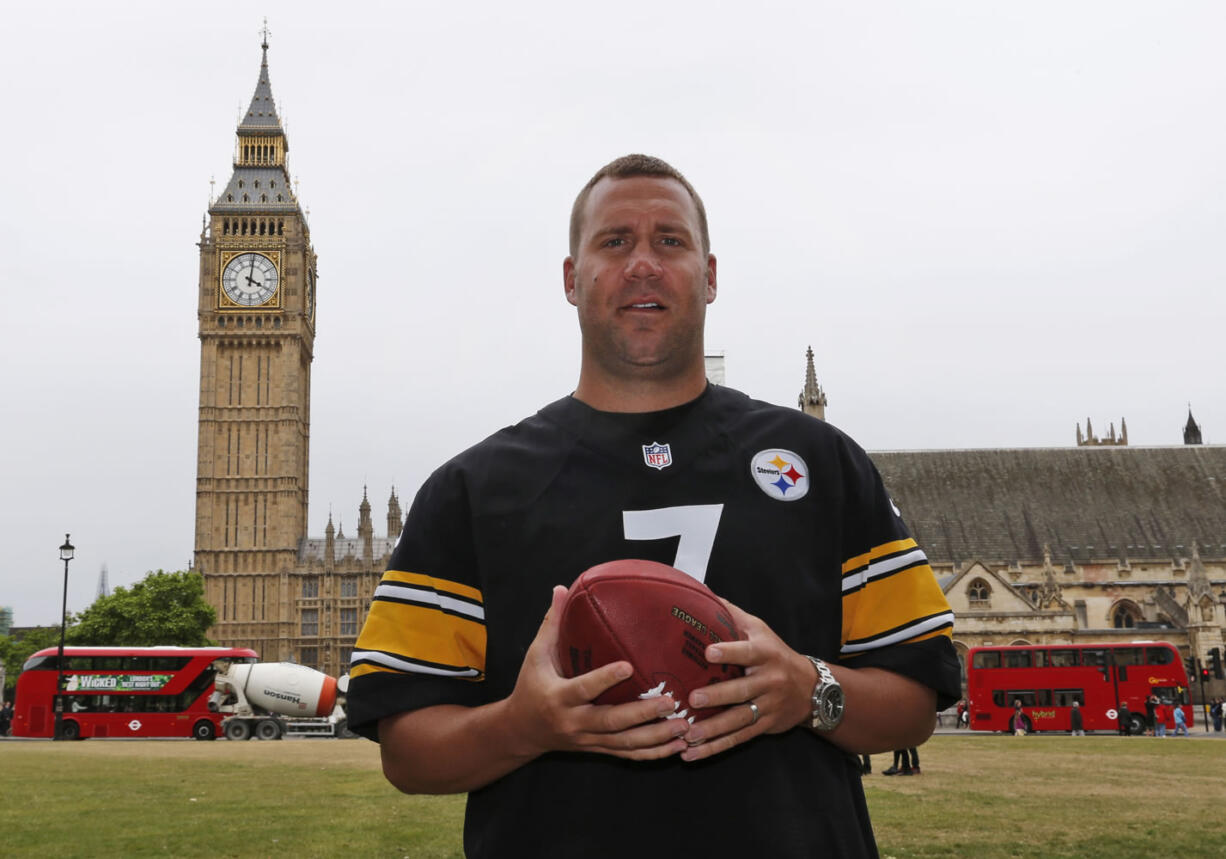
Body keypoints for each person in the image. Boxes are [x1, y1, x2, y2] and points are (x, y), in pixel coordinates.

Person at [347, 154, 961, 858]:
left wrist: (807, 686)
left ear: (711, 274)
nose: (644, 263)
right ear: (572, 279)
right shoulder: (470, 490)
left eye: (670, 240)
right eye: (615, 241)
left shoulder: (822, 462)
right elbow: (405, 749)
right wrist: (523, 726)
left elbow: (915, 701)